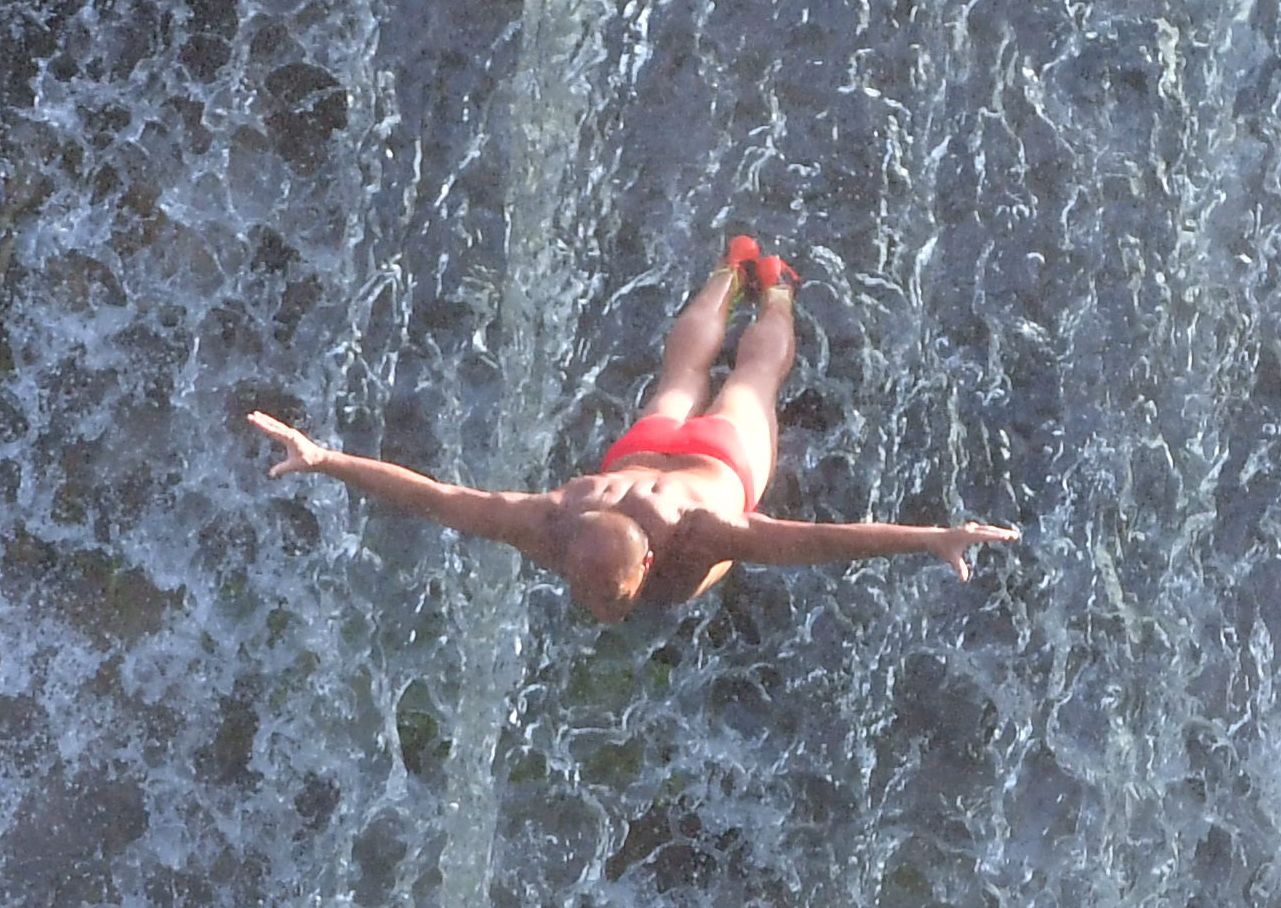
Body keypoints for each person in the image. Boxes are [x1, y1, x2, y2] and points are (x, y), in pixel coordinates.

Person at [246, 236, 1019, 621]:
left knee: (742, 380)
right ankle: (748, 275)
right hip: (652, 460)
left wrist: (930, 537)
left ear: (649, 564)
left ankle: (767, 286)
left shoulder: (698, 532)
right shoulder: (552, 521)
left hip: (714, 468)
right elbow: (439, 497)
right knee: (693, 378)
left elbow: (816, 539)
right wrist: (324, 459)